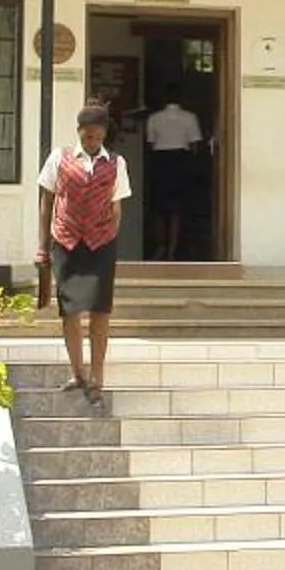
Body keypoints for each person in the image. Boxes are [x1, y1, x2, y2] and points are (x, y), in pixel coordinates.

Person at [37, 103, 129, 404]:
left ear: (104, 134)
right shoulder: (59, 158)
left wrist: (107, 236)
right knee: (70, 311)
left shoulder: (116, 163)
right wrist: (43, 246)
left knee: (100, 312)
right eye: (88, 136)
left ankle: (97, 379)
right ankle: (78, 373)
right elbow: (47, 202)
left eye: (98, 136)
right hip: (65, 243)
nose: (92, 141)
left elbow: (117, 208)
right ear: (79, 132)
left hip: (100, 245)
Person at [142, 90, 205, 261]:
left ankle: (160, 245)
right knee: (177, 208)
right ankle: (172, 250)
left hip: (160, 160)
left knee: (158, 207)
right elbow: (195, 145)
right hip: (181, 161)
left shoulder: (154, 118)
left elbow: (150, 142)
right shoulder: (190, 117)